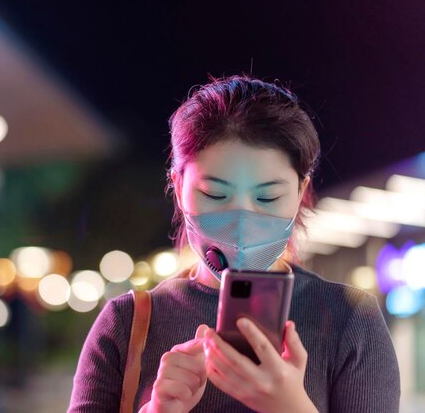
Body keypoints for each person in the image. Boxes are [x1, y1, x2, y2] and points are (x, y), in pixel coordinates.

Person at [68, 75, 400, 413]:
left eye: (268, 197)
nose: (242, 220)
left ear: (300, 192)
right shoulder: (128, 323)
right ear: (179, 185)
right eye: (215, 194)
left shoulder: (350, 320)